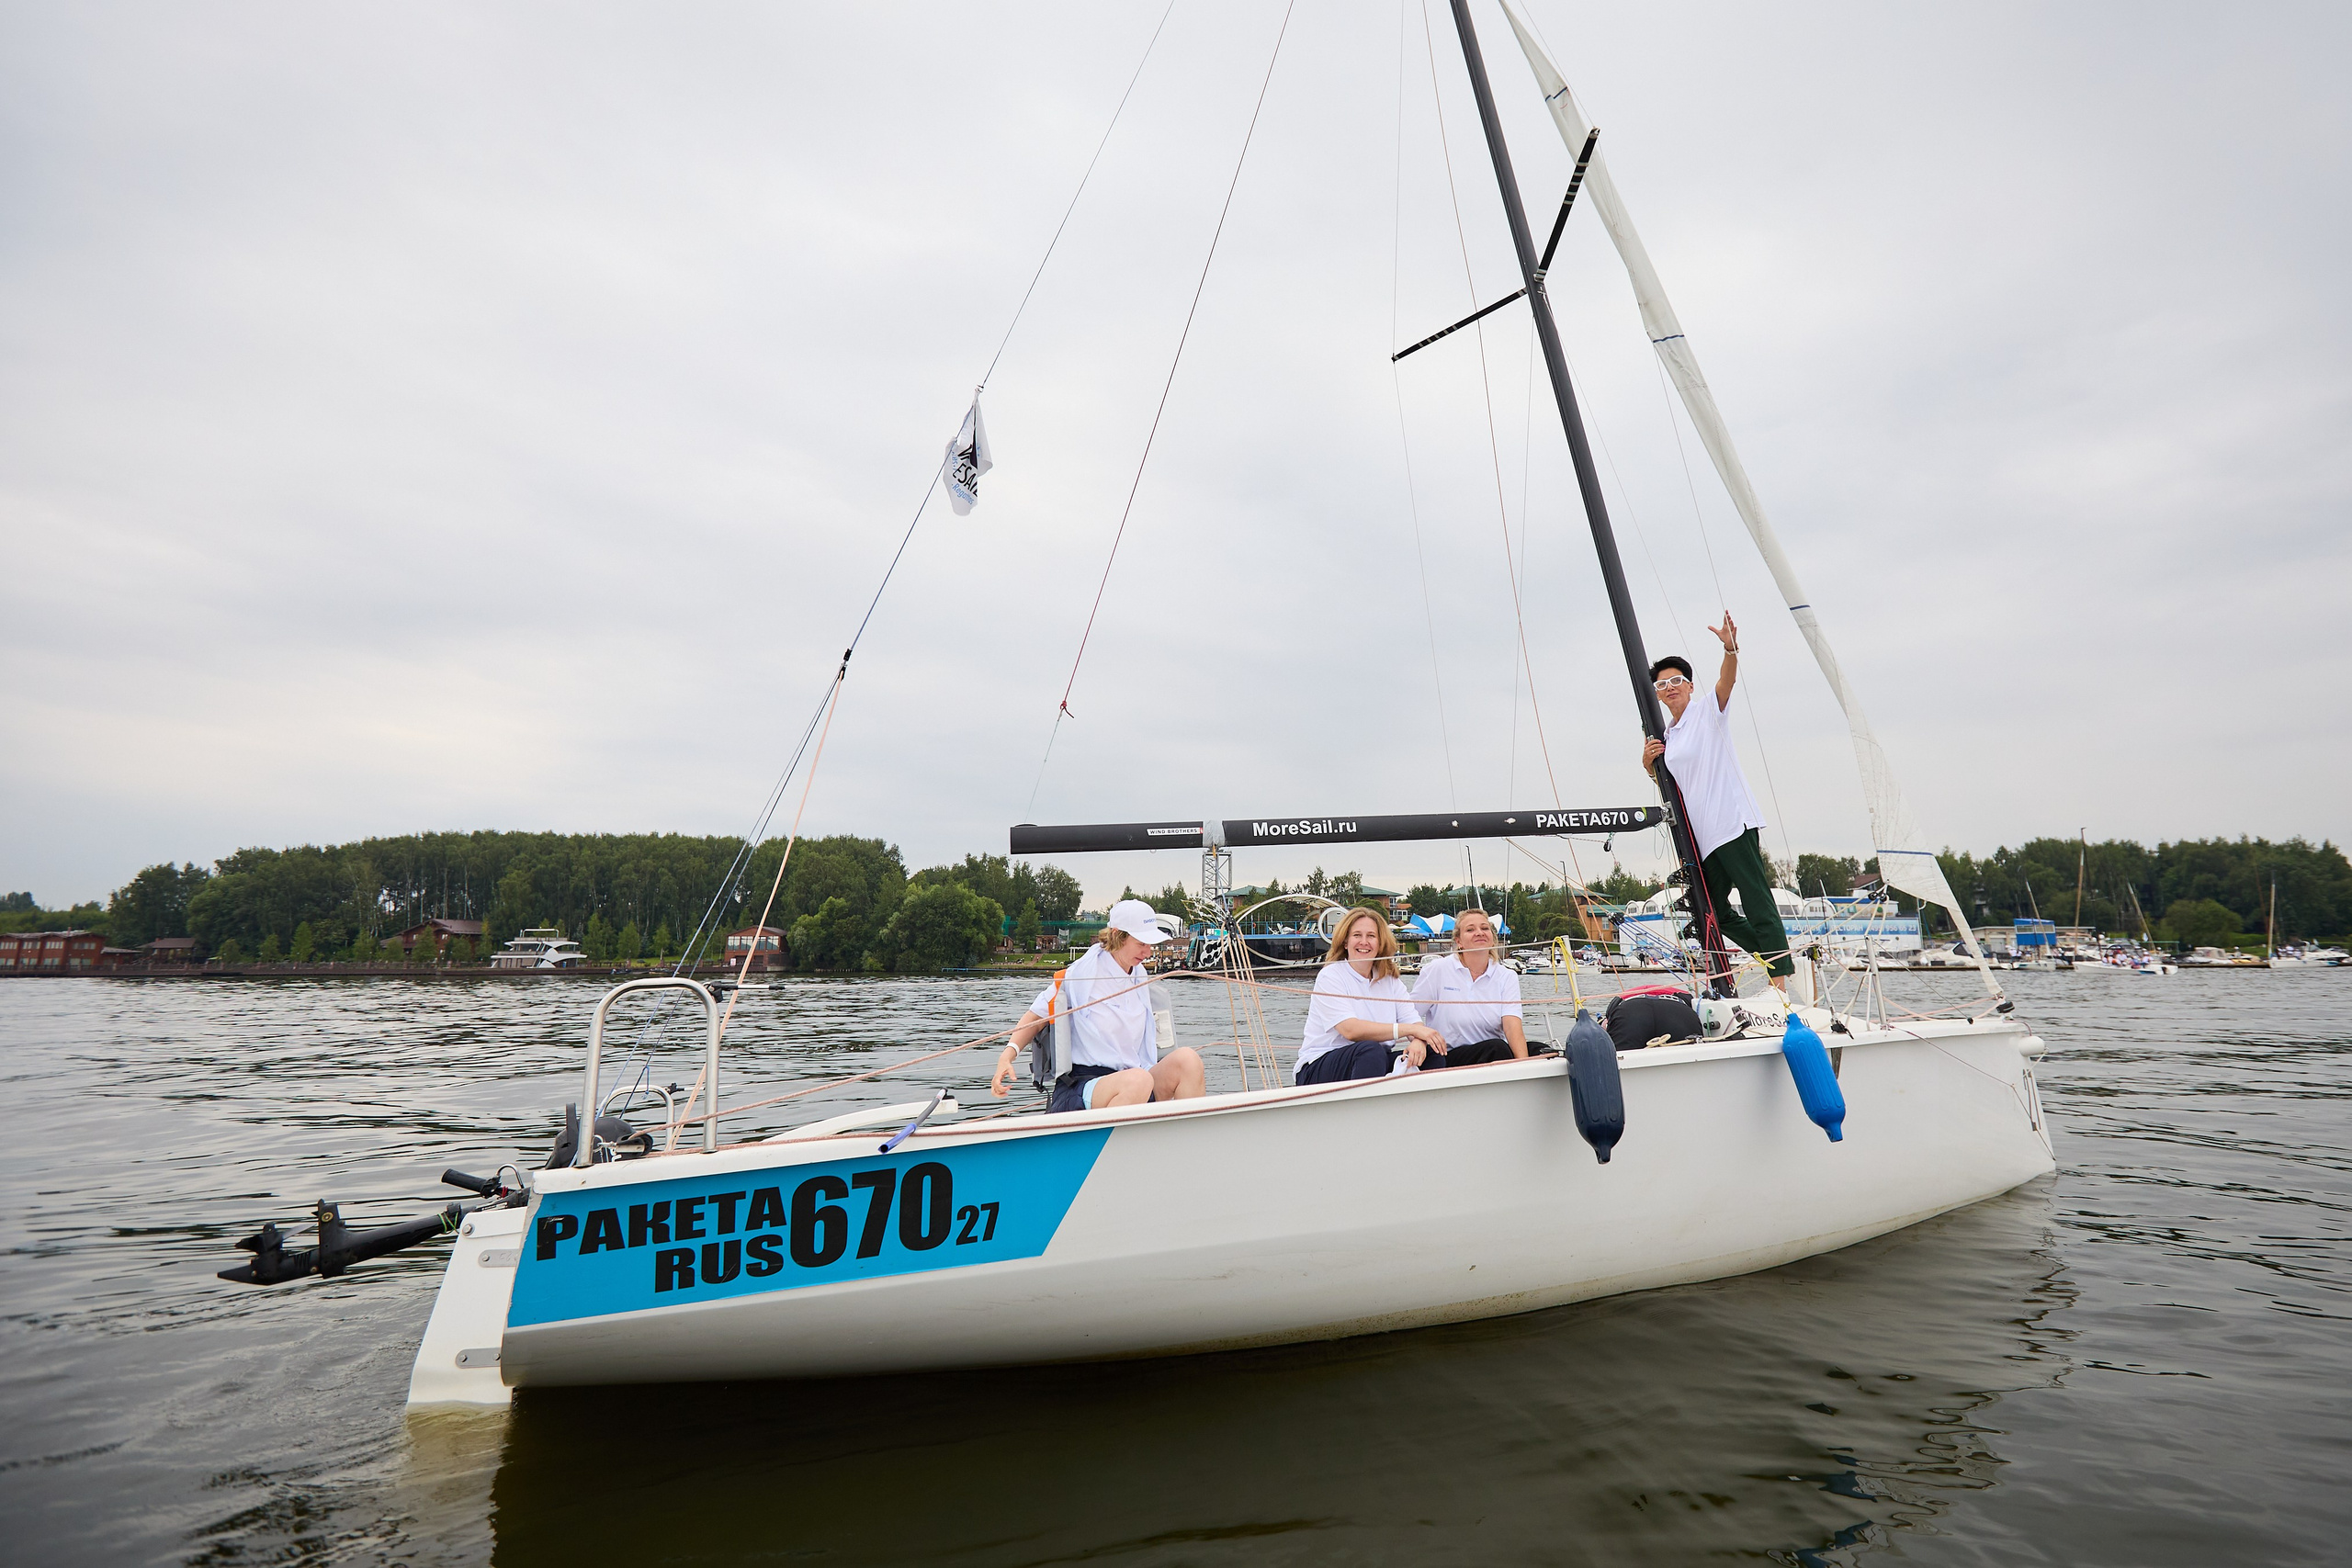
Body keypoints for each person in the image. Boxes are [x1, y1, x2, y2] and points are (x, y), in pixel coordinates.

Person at [1639, 612, 1795, 990]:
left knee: (1756, 900)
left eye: (1677, 681)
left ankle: (1780, 982)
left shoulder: (1708, 711)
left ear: (1690, 686)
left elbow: (1727, 680)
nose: (1670, 687)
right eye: (1662, 684)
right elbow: (1675, 787)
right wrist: (1649, 767)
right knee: (1712, 910)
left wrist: (1730, 649)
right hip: (1704, 837)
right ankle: (1778, 957)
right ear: (1657, 694)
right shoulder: (1669, 736)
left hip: (1732, 822)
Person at [991, 898, 1205, 1112]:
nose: (1148, 953)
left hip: (1136, 1079)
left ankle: (1186, 1132)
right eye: (1141, 944)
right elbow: (1037, 1016)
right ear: (1118, 936)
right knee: (1138, 1080)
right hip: (1082, 1084)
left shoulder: (1139, 974)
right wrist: (1007, 1055)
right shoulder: (1082, 974)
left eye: (1150, 945)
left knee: (1188, 1061)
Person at [1295, 906, 1447, 1085]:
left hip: (1373, 1059)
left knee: (1432, 1053)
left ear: (1380, 944)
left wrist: (1419, 1041)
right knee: (1370, 1051)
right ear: (1345, 942)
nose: (1364, 942)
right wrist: (1411, 1031)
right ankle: (1364, 1103)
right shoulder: (1331, 976)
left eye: (1371, 936)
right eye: (1357, 935)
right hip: (1318, 1065)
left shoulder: (1390, 980)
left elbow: (1413, 1021)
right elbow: (1350, 1030)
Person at [1409, 906, 1530, 1066]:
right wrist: (1420, 1039)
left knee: (1541, 1050)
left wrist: (1524, 1066)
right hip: (1447, 1055)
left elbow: (1512, 1027)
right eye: (1470, 930)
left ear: (1492, 938)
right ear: (1459, 941)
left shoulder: (1507, 976)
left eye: (1484, 928)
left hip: (1492, 1054)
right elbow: (1409, 1015)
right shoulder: (1437, 970)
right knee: (1497, 1048)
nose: (1479, 933)